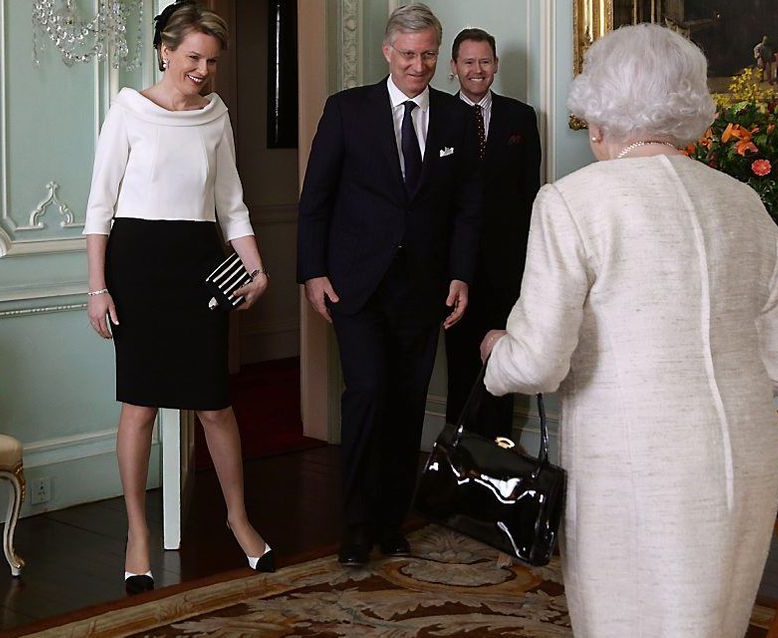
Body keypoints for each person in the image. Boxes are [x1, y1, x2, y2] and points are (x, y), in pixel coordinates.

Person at [479, 23, 778, 637]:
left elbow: (537, 365)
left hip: (632, 461)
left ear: (598, 114)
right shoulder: (745, 204)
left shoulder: (573, 202)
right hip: (747, 457)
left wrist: (497, 350)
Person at [84, 0, 274, 594]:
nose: (203, 70)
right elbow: (100, 206)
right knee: (139, 406)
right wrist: (97, 287)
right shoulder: (127, 111)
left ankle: (238, 518)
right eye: (193, 57)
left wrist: (256, 266)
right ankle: (137, 532)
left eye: (212, 61)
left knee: (214, 404)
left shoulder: (216, 116)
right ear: (165, 51)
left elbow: (231, 203)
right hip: (137, 265)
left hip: (200, 266)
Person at [297, 3, 481, 568]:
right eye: (408, 55)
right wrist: (312, 271)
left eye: (429, 54)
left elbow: (468, 208)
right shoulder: (347, 111)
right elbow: (316, 199)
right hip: (356, 285)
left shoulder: (456, 118)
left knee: (406, 405)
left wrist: (460, 273)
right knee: (369, 394)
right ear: (387, 52)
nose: (419, 65)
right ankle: (355, 527)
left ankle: (390, 520)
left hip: (424, 289)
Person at [443, 28, 541, 440]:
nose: (477, 70)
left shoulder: (521, 117)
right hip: (452, 266)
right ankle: (457, 461)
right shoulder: (436, 116)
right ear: (454, 68)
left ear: (496, 65)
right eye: (468, 62)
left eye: (485, 61)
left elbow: (529, 194)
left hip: (507, 264)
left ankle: (501, 462)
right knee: (460, 363)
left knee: (503, 361)